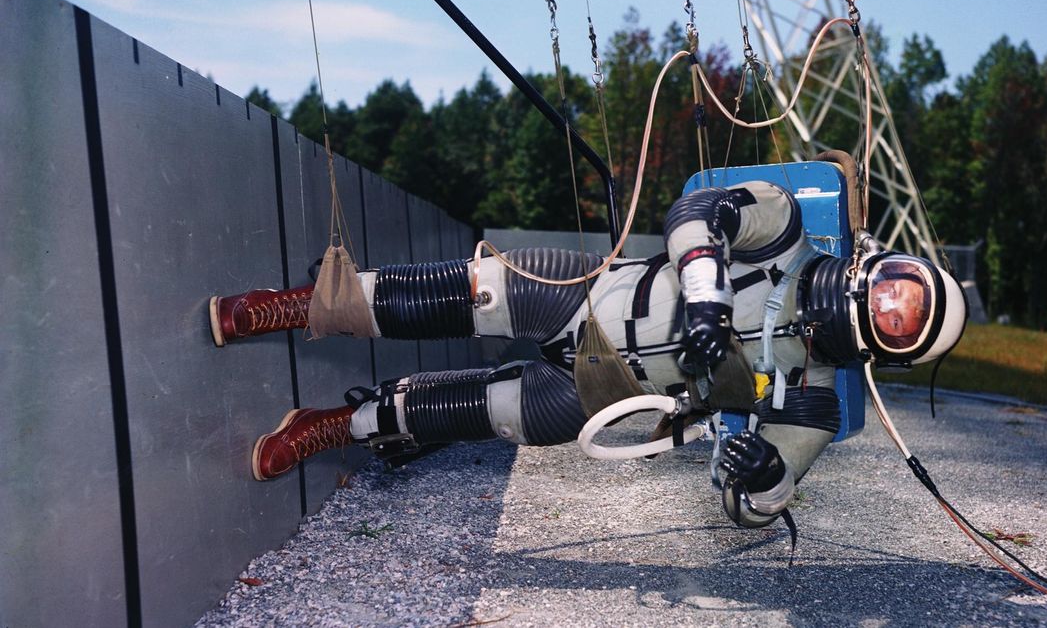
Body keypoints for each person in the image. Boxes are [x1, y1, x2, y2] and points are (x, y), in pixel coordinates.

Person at [212, 179, 967, 529]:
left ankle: (334, 425)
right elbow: (697, 211)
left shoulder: (812, 398)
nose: (884, 305)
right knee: (444, 296)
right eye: (897, 289)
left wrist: (759, 475)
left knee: (479, 412)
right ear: (882, 265)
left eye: (899, 321)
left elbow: (760, 502)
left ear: (889, 349)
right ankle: (299, 307)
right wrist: (704, 295)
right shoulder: (784, 229)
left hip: (603, 393)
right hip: (578, 295)